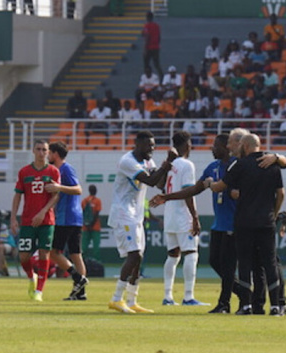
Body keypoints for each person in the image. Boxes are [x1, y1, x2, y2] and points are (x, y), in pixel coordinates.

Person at [209, 134, 285, 316]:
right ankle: (275, 306)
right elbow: (281, 194)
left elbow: (221, 186)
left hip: (244, 222)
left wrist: (210, 184)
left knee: (245, 264)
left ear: (245, 146)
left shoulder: (240, 165)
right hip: (266, 222)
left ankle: (246, 306)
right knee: (270, 264)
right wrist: (273, 214)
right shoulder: (272, 164)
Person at [107, 130, 177, 314]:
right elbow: (150, 180)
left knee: (139, 258)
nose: (152, 149)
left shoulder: (147, 161)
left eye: (153, 145)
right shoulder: (127, 161)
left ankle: (131, 301)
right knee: (135, 255)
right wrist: (167, 163)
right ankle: (116, 298)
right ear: (137, 144)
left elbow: (160, 183)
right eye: (148, 145)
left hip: (136, 214)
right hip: (123, 213)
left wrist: (167, 168)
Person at [159, 131, 208, 307]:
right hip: (182, 215)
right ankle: (188, 296)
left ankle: (167, 296)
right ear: (188, 145)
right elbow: (189, 192)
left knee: (172, 256)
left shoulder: (171, 165)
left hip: (169, 215)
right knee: (191, 254)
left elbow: (162, 186)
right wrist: (195, 217)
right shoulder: (187, 165)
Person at [10, 139, 60, 302]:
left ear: (48, 152)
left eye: (44, 150)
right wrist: (13, 218)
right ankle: (32, 278)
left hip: (46, 221)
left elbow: (56, 196)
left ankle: (39, 291)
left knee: (45, 254)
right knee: (24, 256)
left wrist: (43, 212)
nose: (41, 153)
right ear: (33, 151)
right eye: (38, 149)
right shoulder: (24, 172)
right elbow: (17, 195)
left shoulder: (53, 172)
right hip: (27, 221)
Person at [46, 141, 90, 301]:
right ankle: (81, 292)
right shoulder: (59, 170)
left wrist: (59, 187)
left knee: (53, 253)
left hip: (67, 217)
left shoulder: (65, 169)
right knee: (75, 254)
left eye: (49, 153)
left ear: (55, 154)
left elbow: (78, 189)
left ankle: (78, 278)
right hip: (73, 217)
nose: (47, 156)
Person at [81, 185, 102, 261]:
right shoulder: (97, 201)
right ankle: (95, 261)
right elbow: (97, 213)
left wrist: (87, 224)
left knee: (84, 246)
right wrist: (91, 225)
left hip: (87, 227)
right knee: (94, 246)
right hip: (94, 227)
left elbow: (82, 213)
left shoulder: (84, 200)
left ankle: (85, 261)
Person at [142, 12, 163, 80]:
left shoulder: (147, 26)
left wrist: (145, 48)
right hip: (156, 47)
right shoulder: (157, 26)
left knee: (146, 64)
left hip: (149, 48)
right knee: (157, 64)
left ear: (147, 18)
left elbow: (147, 36)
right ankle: (161, 76)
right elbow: (159, 37)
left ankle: (147, 78)